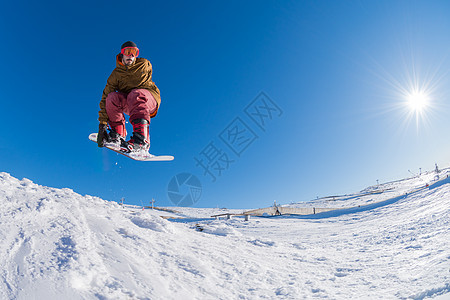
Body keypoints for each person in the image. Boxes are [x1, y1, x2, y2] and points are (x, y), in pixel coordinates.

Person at [97, 41, 161, 153]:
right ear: (121, 54)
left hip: (148, 99)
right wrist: (102, 124)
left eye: (134, 53)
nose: (131, 55)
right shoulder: (116, 75)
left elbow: (149, 71)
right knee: (112, 98)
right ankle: (117, 134)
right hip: (132, 102)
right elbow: (105, 96)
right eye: (128, 52)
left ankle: (142, 141)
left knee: (135, 94)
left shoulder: (143, 64)